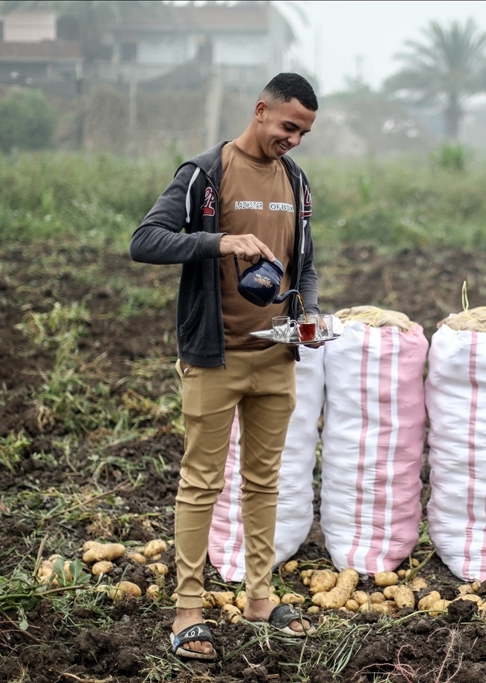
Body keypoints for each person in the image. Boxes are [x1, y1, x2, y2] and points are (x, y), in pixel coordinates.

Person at [130, 73, 320, 660]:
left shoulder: (297, 181)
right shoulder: (204, 175)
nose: (294, 138)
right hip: (215, 357)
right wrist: (220, 242)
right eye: (289, 125)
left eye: (305, 131)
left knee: (265, 481)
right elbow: (145, 240)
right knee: (201, 484)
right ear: (261, 110)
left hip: (275, 357)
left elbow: (304, 264)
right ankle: (187, 610)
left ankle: (259, 595)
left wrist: (308, 315)